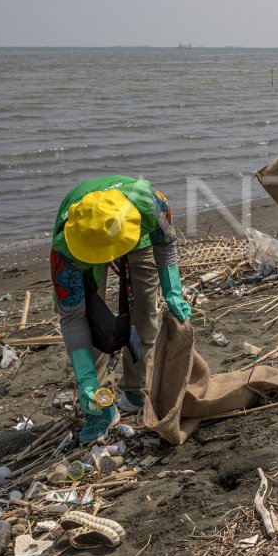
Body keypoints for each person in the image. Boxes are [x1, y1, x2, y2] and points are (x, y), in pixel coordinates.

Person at [51, 176, 191, 443]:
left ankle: (137, 388)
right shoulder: (64, 249)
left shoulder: (153, 204)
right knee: (91, 321)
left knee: (146, 310)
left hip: (136, 237)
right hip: (85, 244)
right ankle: (100, 405)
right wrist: (85, 377)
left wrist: (173, 291)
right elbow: (72, 317)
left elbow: (165, 244)